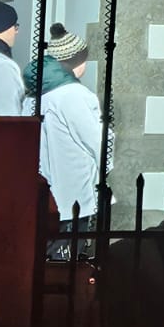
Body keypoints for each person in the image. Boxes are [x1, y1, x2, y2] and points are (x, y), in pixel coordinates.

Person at [22, 22, 107, 259]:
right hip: (71, 194)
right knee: (64, 263)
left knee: (42, 259)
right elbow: (96, 141)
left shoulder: (34, 96)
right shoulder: (74, 95)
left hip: (43, 193)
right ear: (75, 62)